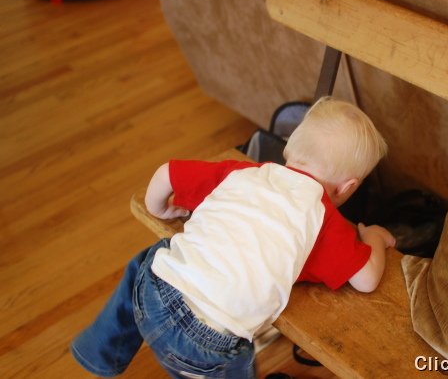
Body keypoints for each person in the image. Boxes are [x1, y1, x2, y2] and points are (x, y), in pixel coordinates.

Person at [70, 97, 396, 378]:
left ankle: (100, 351)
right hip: (206, 344)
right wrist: (375, 238)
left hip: (152, 293)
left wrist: (161, 209)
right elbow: (367, 280)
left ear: (291, 148)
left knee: (151, 258)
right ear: (348, 187)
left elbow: (167, 172)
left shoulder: (243, 172)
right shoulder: (324, 218)